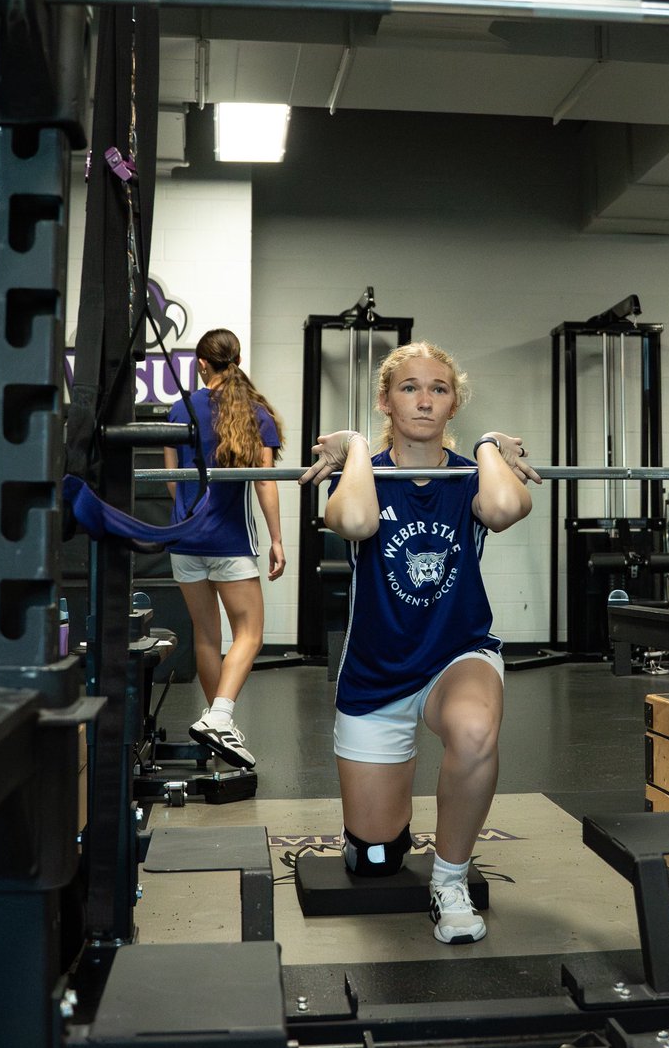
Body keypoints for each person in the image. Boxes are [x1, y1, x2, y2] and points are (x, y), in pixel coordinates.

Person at [300, 341, 540, 943]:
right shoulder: (366, 475)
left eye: (439, 388)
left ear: (454, 403)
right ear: (386, 400)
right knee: (375, 858)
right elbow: (355, 522)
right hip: (377, 671)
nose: (425, 399)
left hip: (456, 654)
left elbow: (508, 507)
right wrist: (357, 446)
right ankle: (389, 828)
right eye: (409, 387)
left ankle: (450, 879)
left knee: (475, 730)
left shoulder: (471, 476)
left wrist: (486, 446)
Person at [164, 328, 286, 769]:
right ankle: (220, 717)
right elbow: (265, 484)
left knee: (206, 635)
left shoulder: (180, 409)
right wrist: (275, 538)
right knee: (250, 633)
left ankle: (215, 726)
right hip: (231, 542)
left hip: (184, 540)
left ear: (201, 363)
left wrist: (182, 524)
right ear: (234, 360)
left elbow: (172, 482)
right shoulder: (256, 414)